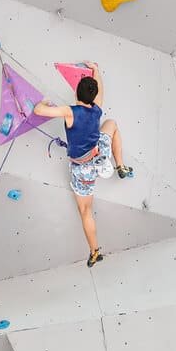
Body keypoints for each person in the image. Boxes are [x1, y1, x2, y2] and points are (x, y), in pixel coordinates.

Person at [33, 62, 133, 268]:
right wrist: (97, 70)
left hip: (83, 168)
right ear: (94, 95)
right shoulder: (97, 109)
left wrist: (43, 102)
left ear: (76, 93)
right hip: (99, 155)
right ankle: (120, 166)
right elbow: (100, 89)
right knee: (111, 124)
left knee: (85, 211)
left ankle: (95, 251)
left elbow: (39, 111)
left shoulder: (71, 112)